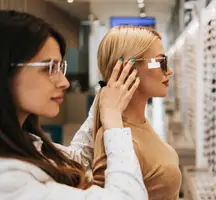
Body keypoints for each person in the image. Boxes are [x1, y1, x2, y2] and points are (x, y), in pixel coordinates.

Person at [0, 10, 148, 200]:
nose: (64, 82)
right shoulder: (8, 178)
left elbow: (77, 158)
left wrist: (105, 98)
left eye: (60, 68)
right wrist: (113, 121)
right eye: (49, 68)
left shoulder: (24, 142)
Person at [92, 26, 182, 200]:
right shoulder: (115, 139)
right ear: (129, 67)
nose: (169, 71)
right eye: (161, 62)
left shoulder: (140, 123)